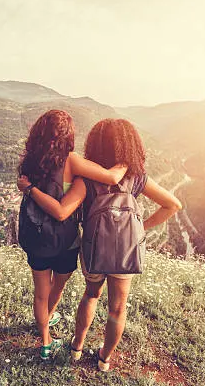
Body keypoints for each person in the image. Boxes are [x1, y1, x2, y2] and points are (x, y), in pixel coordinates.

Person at [18, 118, 182, 371]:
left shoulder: (86, 179)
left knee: (91, 295)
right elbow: (173, 205)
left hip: (94, 248)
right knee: (118, 308)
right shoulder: (137, 178)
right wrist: (141, 228)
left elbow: (66, 208)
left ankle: (76, 347)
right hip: (126, 251)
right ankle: (105, 358)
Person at [17, 110, 127, 360]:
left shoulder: (29, 161)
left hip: (36, 239)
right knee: (58, 286)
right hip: (64, 241)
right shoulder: (70, 161)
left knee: (40, 293)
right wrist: (126, 160)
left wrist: (30, 189)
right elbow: (111, 177)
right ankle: (48, 319)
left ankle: (45, 339)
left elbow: (26, 189)